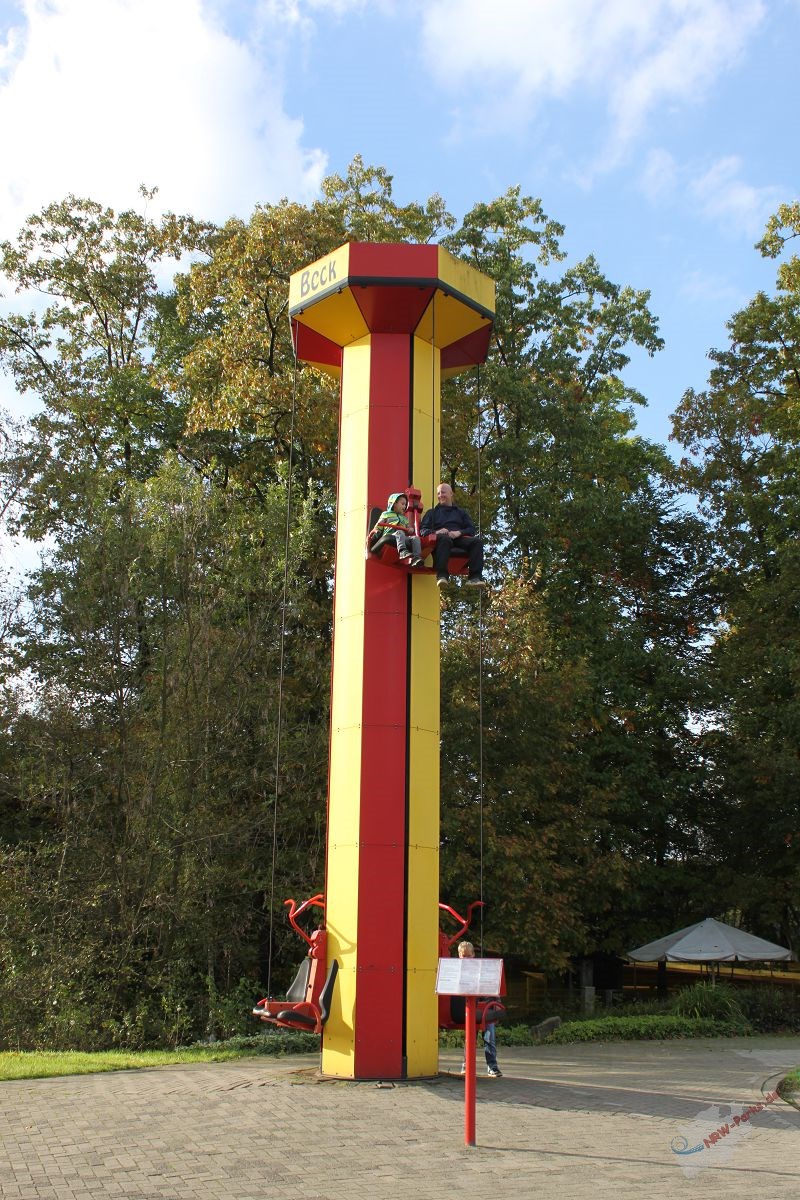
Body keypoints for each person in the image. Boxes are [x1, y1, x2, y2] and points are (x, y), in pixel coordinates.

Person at [420, 482, 485, 587]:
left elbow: (471, 529)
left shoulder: (461, 513)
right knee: (445, 539)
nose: (440, 495)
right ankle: (442, 575)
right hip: (441, 541)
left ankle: (474, 577)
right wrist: (437, 532)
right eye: (438, 493)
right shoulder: (432, 513)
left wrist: (459, 532)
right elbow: (423, 531)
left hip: (458, 539)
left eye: (443, 492)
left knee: (477, 542)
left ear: (451, 494)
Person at [458, 940, 502, 1078]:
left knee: (489, 1036)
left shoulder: (481, 969)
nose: (466, 959)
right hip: (469, 1009)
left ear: (473, 955)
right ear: (459, 956)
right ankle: (467, 1064)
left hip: (484, 1008)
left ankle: (492, 1066)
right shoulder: (457, 971)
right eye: (463, 956)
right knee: (470, 1037)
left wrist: (493, 1004)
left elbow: (490, 988)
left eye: (468, 956)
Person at [369, 492, 424, 566]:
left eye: (405, 505)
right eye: (402, 504)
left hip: (402, 537)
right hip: (391, 534)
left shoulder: (404, 518)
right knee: (400, 532)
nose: (404, 507)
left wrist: (411, 530)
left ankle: (416, 558)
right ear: (394, 503)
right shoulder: (386, 514)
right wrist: (375, 531)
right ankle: (402, 551)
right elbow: (379, 525)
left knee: (415, 538)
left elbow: (408, 528)